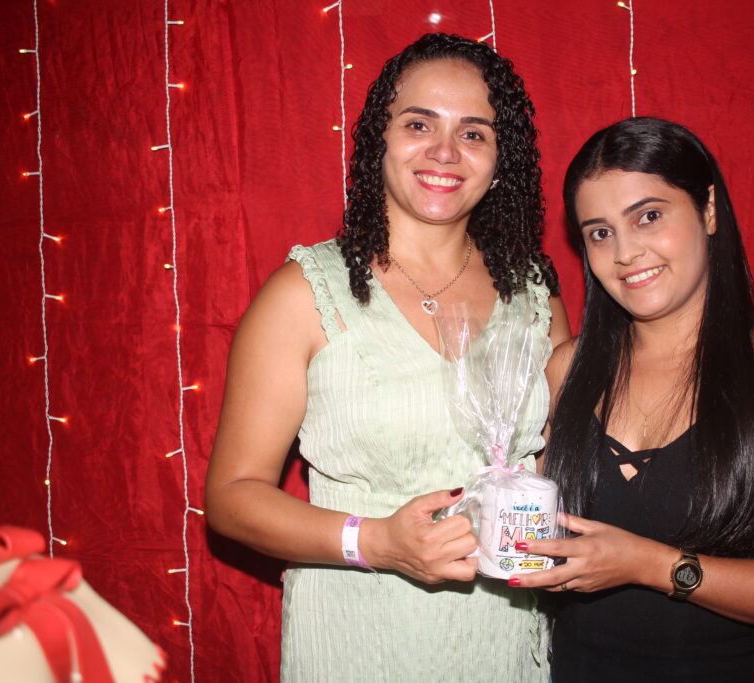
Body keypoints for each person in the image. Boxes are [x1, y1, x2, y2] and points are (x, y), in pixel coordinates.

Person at [205, 33, 570, 681]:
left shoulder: (533, 294)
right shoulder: (305, 293)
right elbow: (232, 498)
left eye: (474, 133)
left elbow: (560, 463)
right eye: (419, 124)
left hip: (505, 643)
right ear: (380, 139)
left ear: (500, 160)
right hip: (359, 642)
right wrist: (375, 542)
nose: (444, 151)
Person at [508, 117, 754, 681]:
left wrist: (652, 564)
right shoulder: (567, 370)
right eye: (600, 233)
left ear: (709, 209)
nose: (626, 252)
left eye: (648, 216)